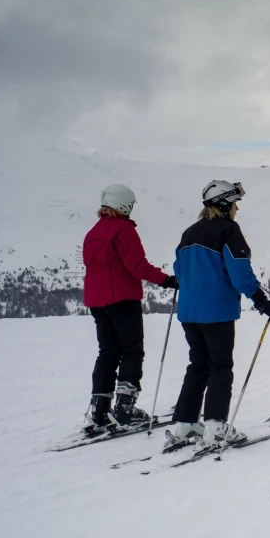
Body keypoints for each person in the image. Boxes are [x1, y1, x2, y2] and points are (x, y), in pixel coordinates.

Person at [166, 180, 270, 449]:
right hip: (216, 311)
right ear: (223, 204)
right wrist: (263, 302)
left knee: (198, 364)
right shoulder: (228, 231)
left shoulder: (188, 233)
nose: (237, 208)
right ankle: (216, 426)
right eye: (234, 202)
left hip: (188, 312)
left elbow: (179, 272)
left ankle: (185, 424)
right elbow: (240, 273)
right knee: (220, 366)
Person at [82, 184, 178, 432]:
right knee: (132, 351)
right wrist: (167, 280)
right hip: (122, 300)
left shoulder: (93, 233)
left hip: (97, 302)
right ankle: (125, 408)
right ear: (123, 204)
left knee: (107, 353)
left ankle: (99, 411)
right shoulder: (123, 230)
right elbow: (138, 266)